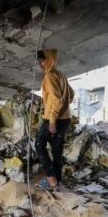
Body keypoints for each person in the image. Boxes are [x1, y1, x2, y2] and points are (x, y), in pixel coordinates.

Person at [35, 49, 74, 190]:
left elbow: (57, 100)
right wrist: (64, 109)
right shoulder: (60, 75)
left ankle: (51, 178)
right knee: (57, 150)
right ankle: (57, 180)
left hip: (54, 119)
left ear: (50, 59)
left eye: (42, 60)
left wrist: (52, 120)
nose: (40, 64)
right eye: (39, 61)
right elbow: (71, 93)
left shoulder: (50, 76)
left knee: (39, 144)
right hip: (65, 119)